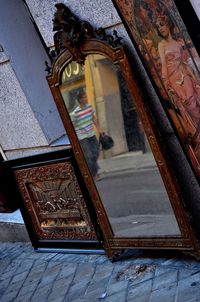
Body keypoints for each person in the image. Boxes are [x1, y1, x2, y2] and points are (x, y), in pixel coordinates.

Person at [156, 14, 200, 150]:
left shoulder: (179, 42)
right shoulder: (161, 44)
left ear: (168, 24)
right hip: (173, 78)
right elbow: (163, 65)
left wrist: (193, 73)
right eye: (157, 27)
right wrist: (165, 83)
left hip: (184, 74)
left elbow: (187, 59)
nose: (160, 29)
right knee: (186, 103)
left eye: (161, 25)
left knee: (193, 101)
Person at [70, 91, 102, 181]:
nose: (86, 98)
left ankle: (92, 168)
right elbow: (72, 126)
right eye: (85, 97)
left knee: (96, 153)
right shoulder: (75, 113)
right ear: (80, 100)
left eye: (86, 96)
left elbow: (93, 118)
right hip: (82, 137)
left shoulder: (89, 107)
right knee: (89, 155)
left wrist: (99, 130)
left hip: (91, 134)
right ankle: (94, 174)